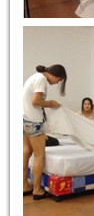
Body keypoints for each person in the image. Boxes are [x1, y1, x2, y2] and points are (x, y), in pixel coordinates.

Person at [23, 64, 67, 199]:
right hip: (33, 121)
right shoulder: (41, 79)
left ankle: (24, 185)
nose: (57, 83)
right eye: (59, 80)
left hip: (24, 119)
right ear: (56, 75)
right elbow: (35, 101)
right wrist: (51, 103)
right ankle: (37, 190)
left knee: (26, 152)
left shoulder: (34, 77)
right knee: (39, 155)